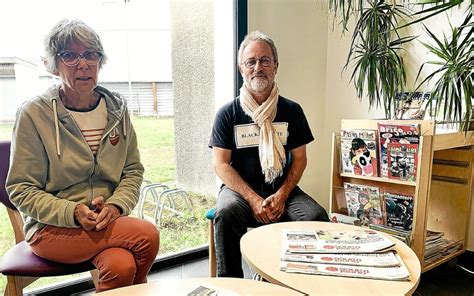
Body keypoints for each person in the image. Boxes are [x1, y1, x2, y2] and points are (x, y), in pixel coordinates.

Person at [6, 19, 159, 293]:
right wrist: (72, 211)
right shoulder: (34, 115)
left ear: (100, 61)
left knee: (121, 266)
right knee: (146, 234)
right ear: (54, 65)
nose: (83, 64)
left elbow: (132, 171)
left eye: (90, 54)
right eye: (70, 56)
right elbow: (21, 189)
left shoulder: (117, 110)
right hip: (50, 228)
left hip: (106, 220)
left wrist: (115, 206)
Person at [208, 31, 329, 278]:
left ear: (276, 66)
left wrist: (282, 194)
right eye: (250, 62)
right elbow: (220, 164)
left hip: (282, 189)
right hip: (240, 192)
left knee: (316, 216)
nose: (258, 67)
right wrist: (253, 199)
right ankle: (231, 286)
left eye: (265, 60)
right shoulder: (227, 114)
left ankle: (296, 281)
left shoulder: (292, 111)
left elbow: (300, 159)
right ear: (241, 69)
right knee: (226, 212)